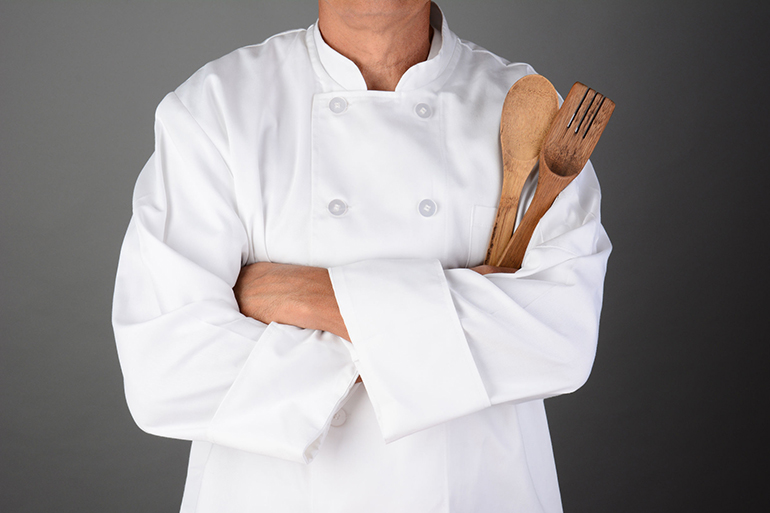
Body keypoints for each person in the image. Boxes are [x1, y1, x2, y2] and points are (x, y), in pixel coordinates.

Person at [112, 1, 611, 511]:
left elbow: (560, 338)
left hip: (476, 491)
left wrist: (306, 297)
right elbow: (165, 370)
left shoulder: (525, 106)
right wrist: (451, 326)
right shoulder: (215, 109)